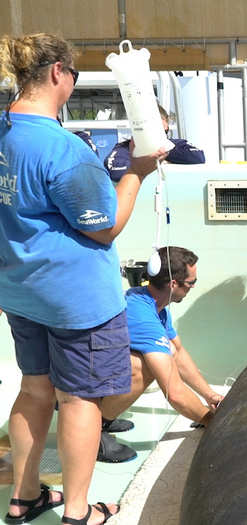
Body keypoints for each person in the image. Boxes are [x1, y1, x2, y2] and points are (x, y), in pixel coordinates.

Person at [0, 33, 164, 525]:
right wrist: (136, 171)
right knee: (80, 401)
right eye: (72, 74)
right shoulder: (65, 150)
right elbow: (105, 227)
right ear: (57, 74)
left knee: (34, 390)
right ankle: (78, 512)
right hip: (76, 302)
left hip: (21, 291)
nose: (72, 81)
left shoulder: (5, 136)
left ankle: (25, 498)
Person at [97, 247, 224, 462]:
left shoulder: (154, 304)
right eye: (191, 283)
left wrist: (210, 396)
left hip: (96, 371)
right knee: (144, 367)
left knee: (168, 350)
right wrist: (213, 421)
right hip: (75, 383)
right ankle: (94, 426)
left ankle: (103, 415)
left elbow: (178, 352)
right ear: (173, 284)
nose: (193, 287)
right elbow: (173, 392)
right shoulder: (143, 316)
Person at [104, 104, 205, 182]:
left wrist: (164, 152)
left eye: (164, 131)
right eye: (156, 131)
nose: (161, 135)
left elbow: (198, 156)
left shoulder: (175, 145)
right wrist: (151, 160)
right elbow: (116, 172)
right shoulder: (123, 149)